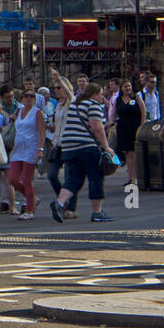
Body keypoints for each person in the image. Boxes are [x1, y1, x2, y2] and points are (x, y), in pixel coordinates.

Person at [51, 81, 117, 223]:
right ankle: (97, 212)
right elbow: (97, 128)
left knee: (74, 179)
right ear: (94, 95)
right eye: (100, 95)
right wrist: (107, 148)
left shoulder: (74, 105)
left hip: (69, 148)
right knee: (95, 178)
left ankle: (59, 203)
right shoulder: (93, 105)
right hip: (86, 147)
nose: (102, 97)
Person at [8, 88, 45, 220]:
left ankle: (30, 210)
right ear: (22, 98)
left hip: (31, 148)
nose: (29, 98)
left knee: (27, 179)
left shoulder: (37, 113)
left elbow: (41, 132)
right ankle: (32, 198)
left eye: (32, 96)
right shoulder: (18, 111)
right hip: (18, 148)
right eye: (26, 96)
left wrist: (40, 149)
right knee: (12, 179)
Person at [46, 74, 79, 219]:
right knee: (52, 175)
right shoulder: (57, 104)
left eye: (59, 87)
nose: (56, 90)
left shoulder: (72, 102)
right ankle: (62, 200)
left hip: (70, 144)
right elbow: (58, 124)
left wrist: (58, 77)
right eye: (55, 88)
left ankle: (71, 208)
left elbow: (70, 93)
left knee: (69, 177)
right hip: (57, 145)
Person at [107, 77, 140, 189]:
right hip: (122, 127)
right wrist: (110, 123)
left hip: (134, 126)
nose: (128, 88)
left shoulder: (136, 97)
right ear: (122, 88)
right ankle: (130, 178)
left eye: (129, 86)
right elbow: (113, 113)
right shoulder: (118, 100)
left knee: (133, 153)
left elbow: (143, 110)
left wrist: (143, 124)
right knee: (126, 153)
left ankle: (134, 178)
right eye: (125, 86)